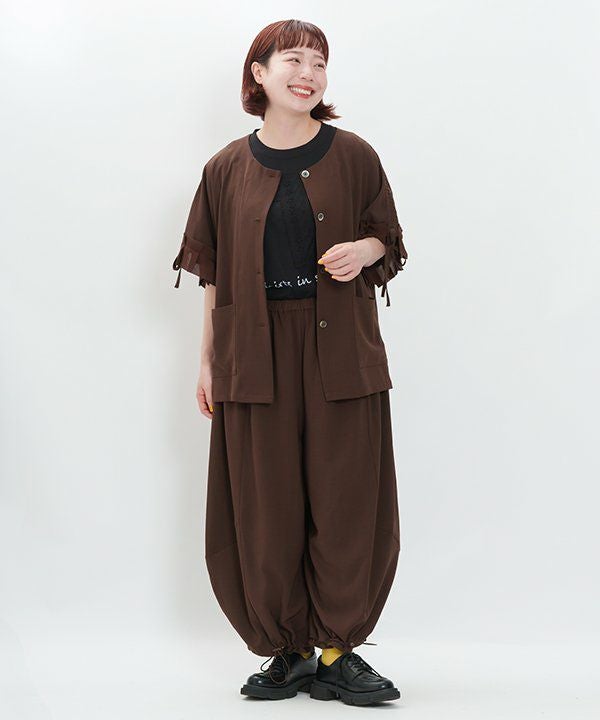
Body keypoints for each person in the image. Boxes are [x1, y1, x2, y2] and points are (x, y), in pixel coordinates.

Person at [172, 19, 408, 706]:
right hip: (253, 352)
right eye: (294, 60)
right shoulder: (224, 169)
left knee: (347, 498)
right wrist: (207, 362)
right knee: (264, 501)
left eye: (320, 63)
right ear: (260, 73)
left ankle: (338, 652)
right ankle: (290, 651)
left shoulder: (355, 155)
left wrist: (364, 251)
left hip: (341, 350)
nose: (309, 74)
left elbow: (387, 238)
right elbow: (213, 274)